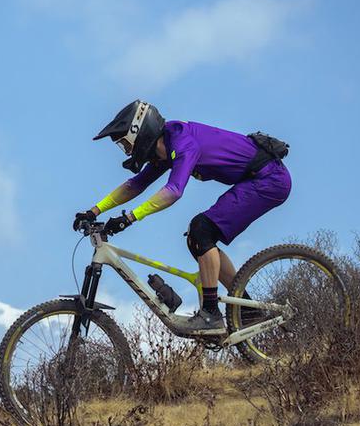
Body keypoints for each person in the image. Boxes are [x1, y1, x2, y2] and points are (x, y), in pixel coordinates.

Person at [72, 100, 291, 334]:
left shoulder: (182, 141)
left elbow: (174, 191)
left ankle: (210, 315)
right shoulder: (164, 147)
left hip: (269, 180)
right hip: (255, 179)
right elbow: (135, 185)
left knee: (202, 229)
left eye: (126, 143)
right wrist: (95, 211)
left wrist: (131, 217)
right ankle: (248, 311)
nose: (126, 151)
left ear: (141, 132)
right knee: (198, 239)